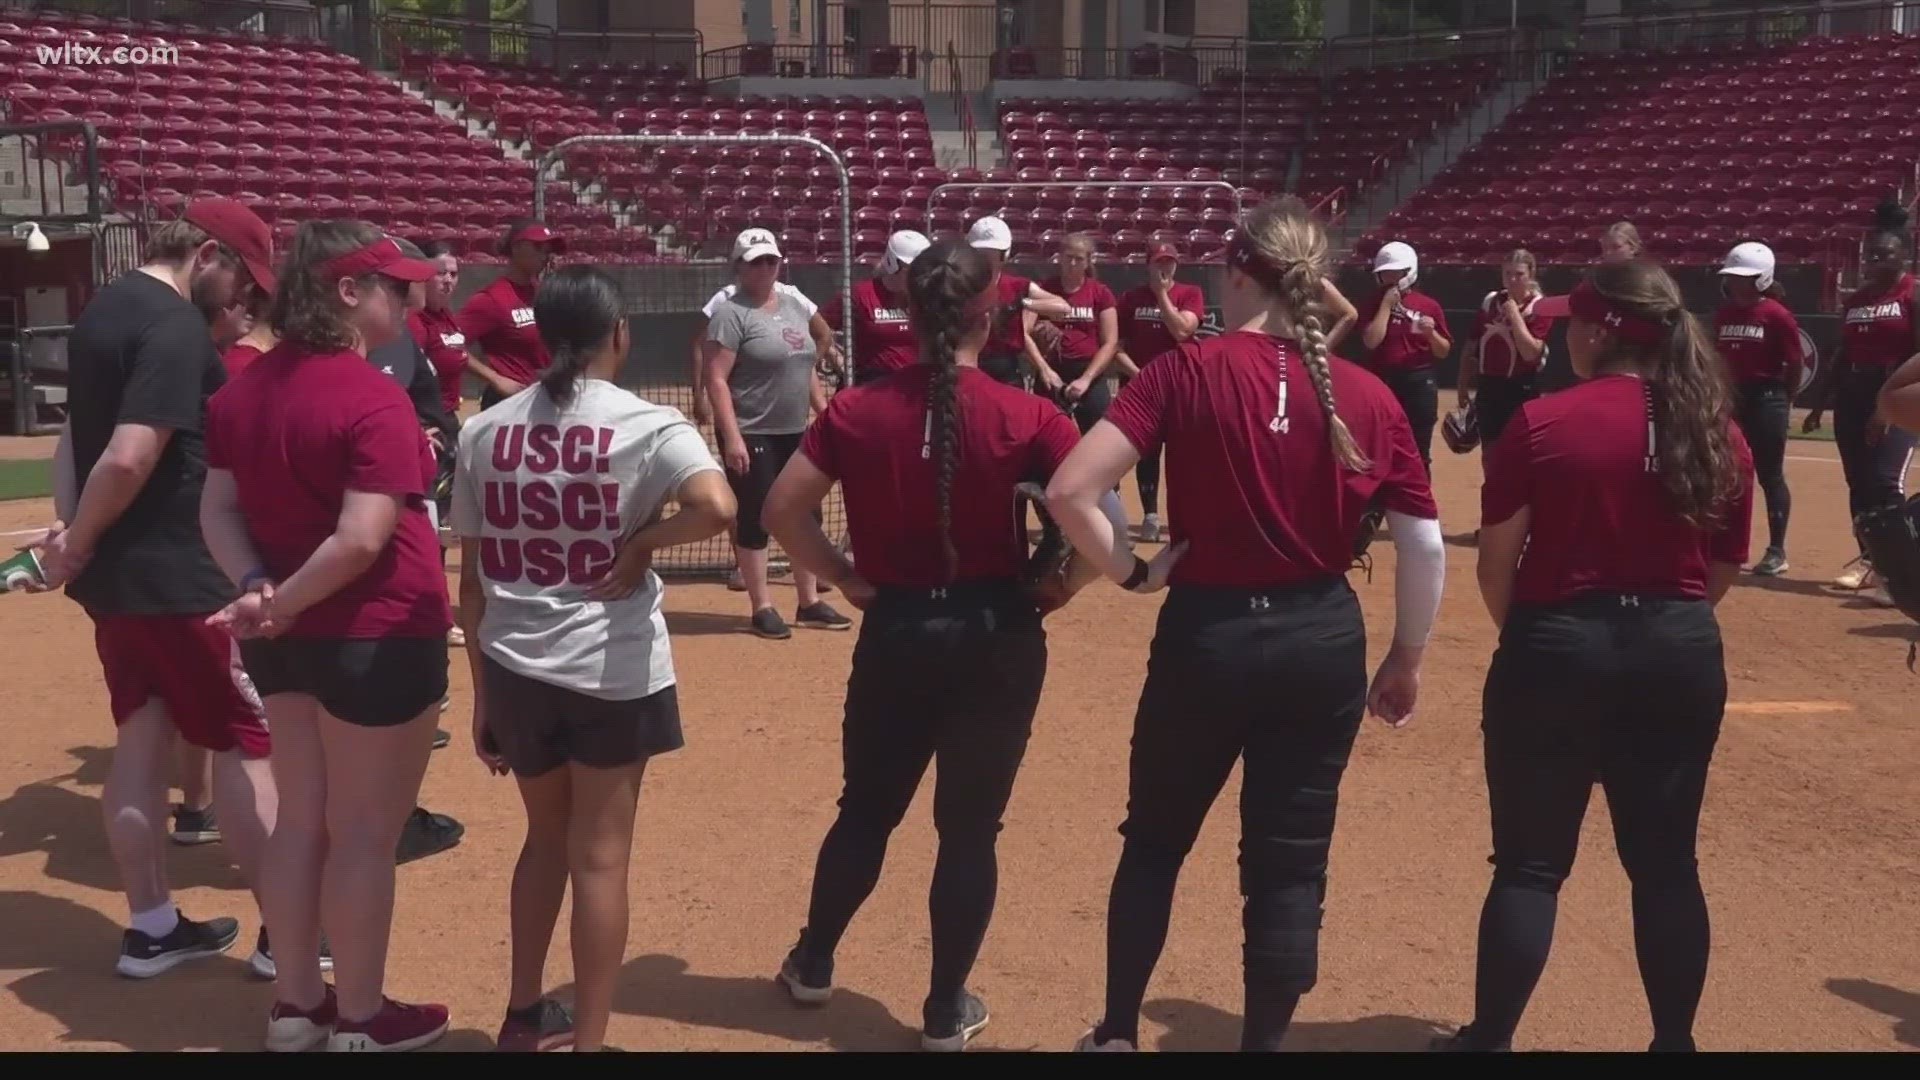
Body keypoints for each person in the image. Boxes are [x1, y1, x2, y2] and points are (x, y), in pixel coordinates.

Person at [1045, 198, 1446, 1052]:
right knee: (1290, 866)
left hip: (1210, 635)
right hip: (1320, 637)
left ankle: (1117, 1033)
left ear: (1236, 273)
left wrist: (1134, 572)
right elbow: (1422, 542)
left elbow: (1071, 490)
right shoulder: (1368, 395)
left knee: (1154, 842)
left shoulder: (1185, 371)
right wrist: (1406, 656)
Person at [761, 238, 1131, 1052]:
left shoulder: (858, 407)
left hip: (897, 628)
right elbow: (1107, 526)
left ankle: (814, 964)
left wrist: (848, 578)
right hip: (996, 632)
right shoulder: (1029, 413)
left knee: (865, 811)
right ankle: (941, 1007)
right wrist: (1060, 588)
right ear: (989, 313)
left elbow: (781, 512)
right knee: (970, 831)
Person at [1437, 259, 1754, 1053]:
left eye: (1569, 322)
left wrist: (1542, 638)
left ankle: (1490, 1042)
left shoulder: (1544, 423)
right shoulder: (1719, 430)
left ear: (1598, 330)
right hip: (1676, 647)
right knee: (1667, 864)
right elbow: (1721, 568)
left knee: (1529, 867)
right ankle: (1673, 1044)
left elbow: (1495, 564)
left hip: (1557, 644)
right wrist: (1657, 629)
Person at [455, 266, 736, 1053]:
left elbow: (471, 583)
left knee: (545, 841)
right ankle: (588, 1044)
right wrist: (644, 543)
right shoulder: (650, 422)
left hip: (513, 663)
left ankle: (520, 1015)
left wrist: (481, 700)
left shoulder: (486, 428)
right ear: (619, 333)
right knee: (601, 862)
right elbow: (717, 506)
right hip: (609, 670)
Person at [200, 222, 452, 1052]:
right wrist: (280, 602)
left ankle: (298, 1006)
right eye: (394, 286)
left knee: (302, 822)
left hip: (288, 634)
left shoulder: (241, 391)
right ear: (348, 293)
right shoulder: (371, 394)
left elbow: (219, 510)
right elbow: (360, 539)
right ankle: (363, 1017)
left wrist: (259, 593)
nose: (409, 298)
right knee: (366, 834)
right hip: (372, 631)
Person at [30, 199, 281, 980]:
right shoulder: (173, 326)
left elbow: (77, 440)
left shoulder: (103, 310)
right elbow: (133, 455)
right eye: (243, 284)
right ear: (207, 254)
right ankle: (293, 937)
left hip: (120, 586)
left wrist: (75, 534)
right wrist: (80, 536)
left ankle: (152, 927)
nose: (244, 306)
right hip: (189, 575)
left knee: (141, 736)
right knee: (249, 742)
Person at [703, 228, 851, 640]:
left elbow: (802, 367)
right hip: (752, 429)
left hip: (793, 429)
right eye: (756, 261)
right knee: (756, 515)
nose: (766, 267)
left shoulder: (791, 306)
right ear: (739, 267)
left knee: (805, 513)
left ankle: (809, 602)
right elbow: (717, 380)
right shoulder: (730, 314)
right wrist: (732, 437)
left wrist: (821, 411)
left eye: (771, 260)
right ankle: (761, 607)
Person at [1801, 200, 1919, 596]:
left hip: (1892, 395)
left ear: (1904, 255)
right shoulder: (1855, 301)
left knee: (1886, 482)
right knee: (1859, 484)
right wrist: (1821, 405)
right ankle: (1873, 561)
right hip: (1852, 395)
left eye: (1883, 254)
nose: (1873, 260)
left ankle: (1905, 569)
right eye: (1870, 255)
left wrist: (1887, 408)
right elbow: (1841, 354)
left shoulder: (1913, 294)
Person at [1714, 241, 1805, 577]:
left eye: (1744, 277)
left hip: (1767, 397)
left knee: (1769, 474)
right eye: (1733, 276)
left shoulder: (1776, 314)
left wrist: (1785, 399)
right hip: (1732, 398)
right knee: (1726, 472)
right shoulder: (1724, 314)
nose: (1736, 282)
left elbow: (1794, 364)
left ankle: (1776, 550)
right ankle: (1722, 545)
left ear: (1762, 278)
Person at [1111, 242, 1206, 543]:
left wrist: (1163, 295)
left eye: (1170, 262)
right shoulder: (1130, 298)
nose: (1165, 267)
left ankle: (1186, 517)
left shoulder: (1189, 294)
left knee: (1185, 454)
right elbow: (1116, 347)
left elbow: (1182, 332)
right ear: (1148, 265)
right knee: (1146, 453)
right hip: (1141, 387)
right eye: (1159, 262)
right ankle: (1150, 515)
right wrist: (1143, 377)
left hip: (1180, 387)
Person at [1358, 240, 1450, 472]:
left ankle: (1418, 505)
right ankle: (1378, 505)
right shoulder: (1373, 303)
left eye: (1394, 273)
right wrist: (1387, 306)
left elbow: (1443, 350)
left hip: (1418, 382)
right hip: (1383, 380)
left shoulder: (1428, 305)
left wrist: (1431, 335)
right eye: (1384, 273)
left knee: (1419, 450)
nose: (1388, 278)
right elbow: (1371, 341)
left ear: (1408, 272)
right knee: (1379, 447)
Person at [1457, 250, 1552, 470]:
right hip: (1489, 387)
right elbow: (1471, 345)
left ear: (1531, 274)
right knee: (1490, 456)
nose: (1512, 280)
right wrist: (1462, 384)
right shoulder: (1491, 302)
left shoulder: (1538, 307)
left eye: (1519, 274)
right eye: (1507, 273)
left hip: (1521, 388)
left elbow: (1530, 353)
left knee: (1519, 455)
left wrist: (1514, 316)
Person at [459, 219, 561, 411]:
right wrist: (495, 378)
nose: (545, 256)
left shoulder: (544, 293)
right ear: (516, 248)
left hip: (544, 399)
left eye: (548, 250)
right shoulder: (491, 299)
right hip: (508, 404)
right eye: (538, 247)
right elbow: (450, 345)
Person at [965, 216, 1071, 389]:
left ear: (1004, 255)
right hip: (971, 364)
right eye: (981, 253)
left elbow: (1063, 307)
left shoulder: (1016, 286)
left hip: (1005, 369)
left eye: (991, 254)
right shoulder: (961, 284)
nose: (986, 259)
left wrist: (1022, 303)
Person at [822, 229, 931, 387]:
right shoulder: (860, 295)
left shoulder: (926, 298)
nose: (921, 276)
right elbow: (818, 327)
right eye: (914, 269)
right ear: (893, 264)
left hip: (913, 389)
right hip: (871, 389)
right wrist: (841, 365)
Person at [1039, 233, 1121, 434]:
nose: (1073, 263)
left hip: (1088, 374)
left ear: (1088, 261)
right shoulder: (1046, 289)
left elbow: (1110, 342)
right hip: (1053, 373)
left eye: (1079, 258)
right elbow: (1026, 326)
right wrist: (1040, 326)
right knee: (1048, 437)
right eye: (1068, 257)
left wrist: (1086, 379)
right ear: (1060, 258)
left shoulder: (1100, 293)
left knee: (1096, 438)